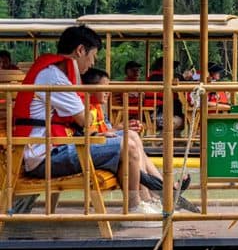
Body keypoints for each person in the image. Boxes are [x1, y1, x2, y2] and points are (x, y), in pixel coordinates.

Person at [12, 25, 159, 214]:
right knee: (128, 146)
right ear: (80, 50)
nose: (92, 62)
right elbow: (84, 120)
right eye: (93, 56)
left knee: (131, 136)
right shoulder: (54, 77)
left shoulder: (55, 73)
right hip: (45, 157)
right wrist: (78, 80)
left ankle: (150, 199)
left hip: (56, 146)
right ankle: (136, 207)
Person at [82, 67, 195, 211]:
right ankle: (155, 194)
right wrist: (119, 129)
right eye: (104, 88)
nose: (108, 92)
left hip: (104, 148)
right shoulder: (83, 110)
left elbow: (105, 131)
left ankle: (160, 191)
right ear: (90, 89)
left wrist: (120, 127)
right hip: (94, 152)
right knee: (132, 140)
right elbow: (92, 135)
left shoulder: (97, 107)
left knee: (133, 139)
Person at [143, 56, 185, 131]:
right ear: (162, 67)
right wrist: (184, 77)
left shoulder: (155, 77)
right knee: (178, 121)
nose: (172, 69)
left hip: (160, 111)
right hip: (158, 113)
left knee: (180, 119)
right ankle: (164, 137)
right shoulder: (157, 77)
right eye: (171, 66)